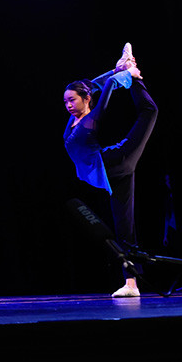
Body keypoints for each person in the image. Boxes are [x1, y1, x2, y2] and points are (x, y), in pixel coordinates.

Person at [62, 43, 159, 298]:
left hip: (118, 162)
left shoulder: (90, 121)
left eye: (72, 100)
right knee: (124, 225)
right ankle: (131, 283)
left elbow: (107, 89)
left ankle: (135, 76)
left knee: (150, 111)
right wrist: (116, 70)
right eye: (66, 101)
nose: (68, 105)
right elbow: (94, 85)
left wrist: (128, 75)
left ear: (86, 100)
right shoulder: (76, 119)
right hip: (109, 171)